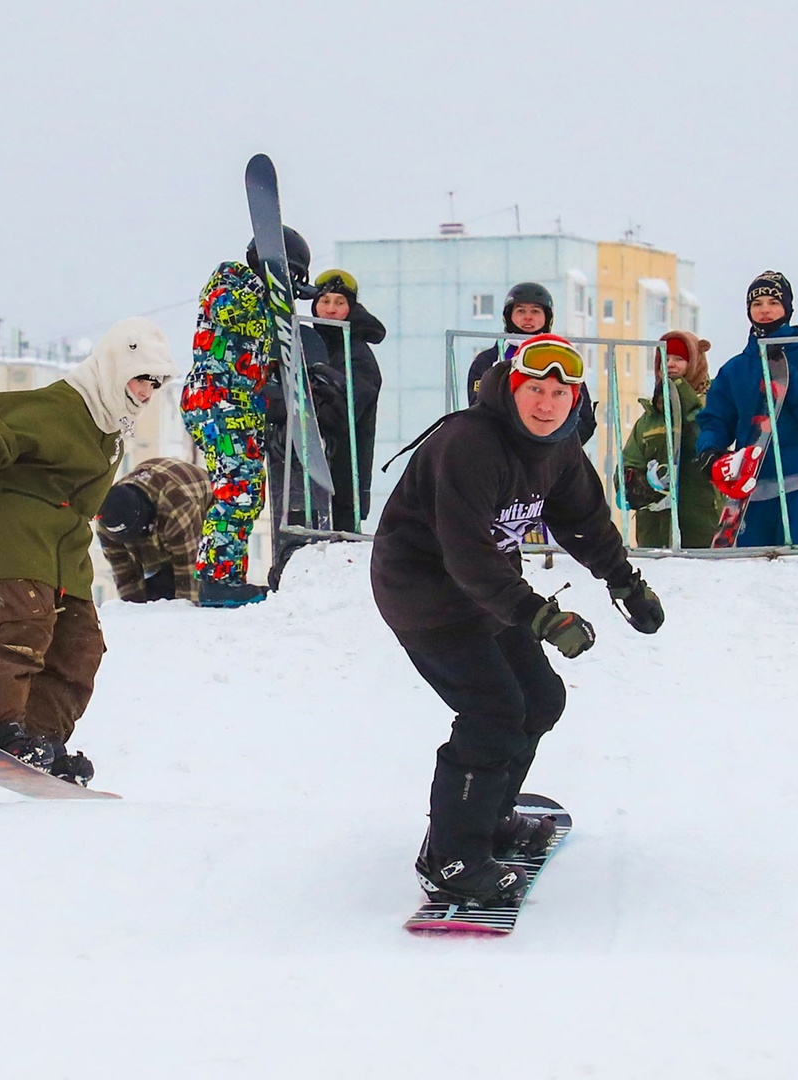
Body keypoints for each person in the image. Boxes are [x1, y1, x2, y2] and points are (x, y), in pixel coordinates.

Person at [371, 332, 664, 908]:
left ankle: (489, 818)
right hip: (423, 592)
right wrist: (540, 616)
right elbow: (466, 552)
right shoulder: (469, 444)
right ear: (510, 387)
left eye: (560, 393)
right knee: (494, 712)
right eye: (535, 389)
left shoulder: (559, 446)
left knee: (540, 700)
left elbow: (584, 520)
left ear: (574, 399)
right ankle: (451, 858)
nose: (546, 404)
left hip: (486, 592)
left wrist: (624, 582)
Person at [0, 317, 178, 783]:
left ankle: (39, 738)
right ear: (115, 368)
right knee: (21, 623)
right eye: (141, 378)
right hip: (15, 532)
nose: (146, 391)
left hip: (64, 550)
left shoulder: (110, 429)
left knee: (80, 644)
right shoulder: (58, 406)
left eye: (156, 383)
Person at [180, 227, 312, 607]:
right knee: (236, 488)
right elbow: (228, 310)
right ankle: (217, 580)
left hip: (243, 406)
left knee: (248, 492)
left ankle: (227, 575)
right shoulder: (231, 279)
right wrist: (269, 290)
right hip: (215, 398)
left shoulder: (269, 309)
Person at [695, 271, 798, 547]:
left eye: (773, 303)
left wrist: (787, 377)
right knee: (751, 568)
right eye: (757, 304)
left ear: (787, 308)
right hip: (752, 486)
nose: (764, 310)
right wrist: (710, 450)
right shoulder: (736, 369)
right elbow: (716, 419)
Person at [619, 331, 721, 548]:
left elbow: (707, 440)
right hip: (654, 531)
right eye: (664, 360)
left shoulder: (713, 404)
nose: (670, 365)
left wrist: (682, 395)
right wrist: (637, 483)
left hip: (702, 526)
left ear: (696, 363)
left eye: (679, 359)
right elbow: (629, 461)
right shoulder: (649, 418)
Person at [466, 281, 596, 445]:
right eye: (521, 311)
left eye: (535, 311)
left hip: (552, 450)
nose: (528, 317)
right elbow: (478, 410)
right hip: (501, 447)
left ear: (547, 317)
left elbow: (583, 417)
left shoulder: (563, 359)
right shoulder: (488, 360)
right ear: (508, 316)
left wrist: (557, 446)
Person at [308, 268, 385, 533]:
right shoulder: (309, 344)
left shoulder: (357, 354)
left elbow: (345, 411)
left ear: (351, 308)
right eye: (325, 301)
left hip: (343, 478)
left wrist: (314, 397)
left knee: (340, 546)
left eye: (339, 302)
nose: (331, 309)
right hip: (306, 475)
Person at [96, 457, 212, 603]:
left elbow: (188, 573)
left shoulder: (176, 507)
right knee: (154, 594)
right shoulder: (107, 518)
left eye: (135, 535)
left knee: (202, 587)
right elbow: (125, 574)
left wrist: (185, 610)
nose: (133, 542)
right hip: (162, 525)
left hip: (208, 516)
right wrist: (134, 609)